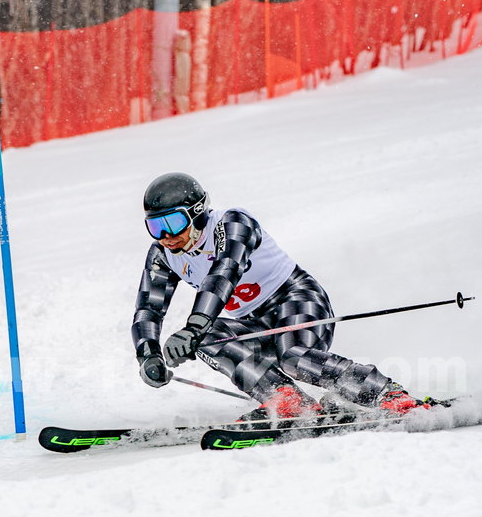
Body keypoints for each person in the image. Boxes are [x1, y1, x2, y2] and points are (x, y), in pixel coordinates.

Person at [131, 172, 429, 420]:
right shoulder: (163, 255)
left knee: (293, 357)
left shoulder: (232, 223)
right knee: (207, 340)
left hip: (298, 299)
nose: (165, 236)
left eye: (172, 223)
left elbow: (223, 274)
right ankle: (287, 402)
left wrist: (192, 329)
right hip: (254, 322)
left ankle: (387, 394)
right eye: (155, 226)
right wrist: (148, 355)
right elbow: (148, 310)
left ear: (196, 214)